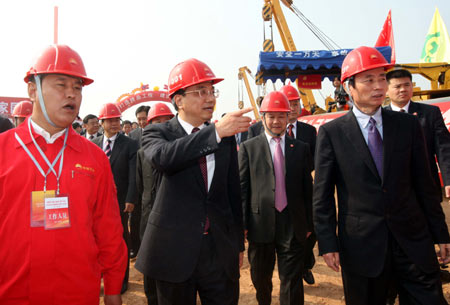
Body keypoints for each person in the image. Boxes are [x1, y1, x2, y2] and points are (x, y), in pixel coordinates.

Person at [313, 46, 450, 305]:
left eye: (381, 79)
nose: (379, 86)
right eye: (369, 80)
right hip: (362, 248)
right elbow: (322, 196)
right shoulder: (332, 133)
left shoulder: (408, 125)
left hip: (413, 242)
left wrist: (440, 233)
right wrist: (328, 242)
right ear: (349, 86)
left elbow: (425, 185)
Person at [0, 44, 127, 305]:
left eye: (78, 88)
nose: (72, 95)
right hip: (12, 294)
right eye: (61, 85)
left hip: (77, 294)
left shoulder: (95, 159)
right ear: (32, 90)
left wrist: (113, 288)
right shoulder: (3, 150)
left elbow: (109, 231)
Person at [135, 58, 251, 305]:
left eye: (212, 91)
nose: (210, 98)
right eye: (201, 92)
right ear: (179, 100)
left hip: (219, 249)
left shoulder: (225, 139)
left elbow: (232, 192)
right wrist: (216, 132)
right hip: (173, 251)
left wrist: (237, 243)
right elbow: (164, 158)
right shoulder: (157, 133)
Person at [239, 91, 313, 305]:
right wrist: (243, 224)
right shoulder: (248, 148)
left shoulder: (300, 149)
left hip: (293, 223)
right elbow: (243, 190)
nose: (276, 121)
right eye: (271, 116)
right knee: (261, 279)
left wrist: (309, 222)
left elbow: (307, 190)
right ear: (262, 118)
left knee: (292, 280)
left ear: (288, 116)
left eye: (281, 116)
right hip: (259, 225)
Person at [92, 103, 138, 294]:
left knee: (120, 241)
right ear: (101, 122)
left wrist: (130, 198)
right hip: (96, 202)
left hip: (120, 201)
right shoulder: (93, 145)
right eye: (109, 120)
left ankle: (122, 280)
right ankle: (101, 278)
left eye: (116, 120)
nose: (114, 124)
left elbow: (134, 175)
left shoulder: (130, 144)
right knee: (96, 240)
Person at [278, 84, 317, 285]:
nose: (293, 108)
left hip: (303, 190)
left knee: (310, 231)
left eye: (295, 104)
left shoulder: (310, 132)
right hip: (277, 192)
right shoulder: (264, 129)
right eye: (289, 104)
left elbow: (316, 159)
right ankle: (293, 269)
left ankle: (305, 266)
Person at [137, 102, 174, 305]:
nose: (161, 125)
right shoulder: (142, 153)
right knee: (149, 264)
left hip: (173, 218)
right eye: (156, 122)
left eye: (166, 121)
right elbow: (141, 184)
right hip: (148, 215)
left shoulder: (183, 151)